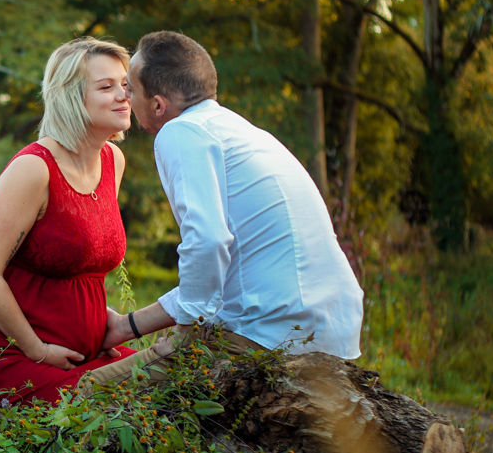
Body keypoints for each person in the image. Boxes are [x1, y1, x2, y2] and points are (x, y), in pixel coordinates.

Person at [86, 31, 363, 387]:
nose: (124, 97)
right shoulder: (239, 131)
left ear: (158, 105)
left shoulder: (180, 133)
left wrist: (184, 335)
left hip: (268, 333)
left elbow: (208, 243)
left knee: (89, 391)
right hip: (330, 332)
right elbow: (222, 270)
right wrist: (128, 326)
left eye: (131, 89)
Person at [0, 37, 166, 405]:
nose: (124, 96)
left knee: (170, 381)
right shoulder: (34, 168)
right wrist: (37, 350)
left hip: (74, 350)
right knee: (124, 399)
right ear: (71, 96)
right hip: (4, 352)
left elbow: (75, 258)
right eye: (106, 87)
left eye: (125, 85)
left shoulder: (112, 161)